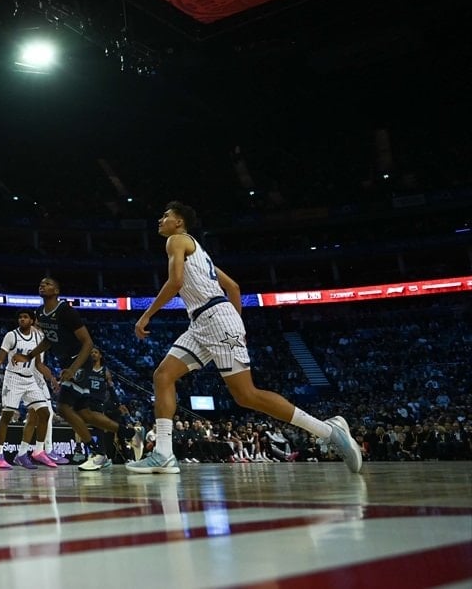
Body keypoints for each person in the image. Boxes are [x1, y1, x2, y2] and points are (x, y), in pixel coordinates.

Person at [127, 201, 362, 474]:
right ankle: (164, 454)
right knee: (163, 376)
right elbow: (234, 287)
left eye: (165, 215)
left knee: (246, 395)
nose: (160, 219)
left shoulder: (176, 241)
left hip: (215, 318)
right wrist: (237, 323)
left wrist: (147, 315)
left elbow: (176, 281)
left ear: (179, 222)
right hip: (205, 321)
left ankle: (328, 430)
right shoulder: (202, 256)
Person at [20, 277, 107, 470]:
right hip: (68, 364)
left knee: (66, 408)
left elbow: (88, 342)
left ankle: (97, 453)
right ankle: (103, 449)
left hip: (79, 362)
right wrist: (31, 354)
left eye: (48, 283)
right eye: (41, 283)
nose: (42, 285)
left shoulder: (66, 311)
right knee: (83, 411)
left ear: (57, 291)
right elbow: (49, 340)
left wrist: (74, 368)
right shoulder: (40, 313)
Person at [0, 310, 60, 470]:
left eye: (25, 317)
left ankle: (38, 451)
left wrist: (51, 378)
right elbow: (0, 358)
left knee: (45, 413)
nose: (22, 319)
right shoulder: (11, 335)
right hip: (13, 379)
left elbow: (38, 364)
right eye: (20, 317)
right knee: (6, 416)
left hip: (30, 379)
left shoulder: (38, 337)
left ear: (32, 320)